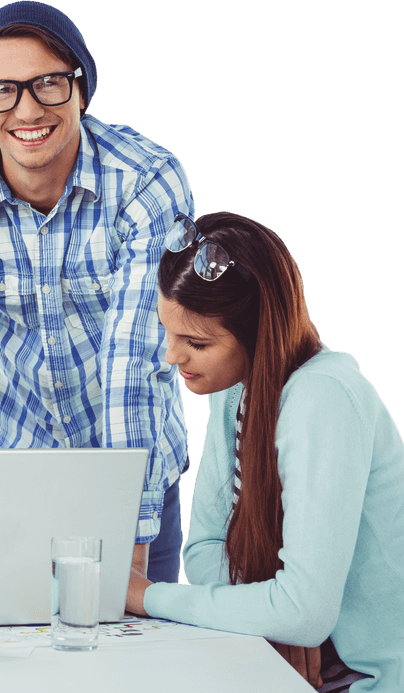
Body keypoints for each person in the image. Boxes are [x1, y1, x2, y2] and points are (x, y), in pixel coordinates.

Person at [0, 0, 192, 582]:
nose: (27, 109)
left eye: (49, 84)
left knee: (137, 660)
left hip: (136, 470)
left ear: (81, 91)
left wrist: (129, 546)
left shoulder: (147, 183)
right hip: (9, 462)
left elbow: (133, 361)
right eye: (2, 90)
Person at [126, 211, 404, 692]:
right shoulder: (234, 389)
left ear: (259, 332)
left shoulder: (323, 397)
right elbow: (204, 549)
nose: (172, 357)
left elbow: (304, 613)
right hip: (283, 668)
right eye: (167, 332)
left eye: (195, 342)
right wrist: (273, 616)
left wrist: (147, 597)